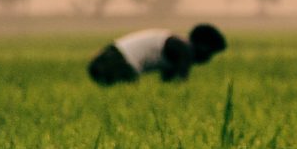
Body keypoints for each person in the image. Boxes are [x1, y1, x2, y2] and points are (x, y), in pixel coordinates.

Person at [87, 23, 226, 85]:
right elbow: (179, 84)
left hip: (103, 60)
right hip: (115, 63)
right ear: (203, 46)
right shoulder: (184, 49)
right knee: (130, 104)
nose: (208, 58)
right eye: (210, 53)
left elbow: (168, 86)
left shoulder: (177, 45)